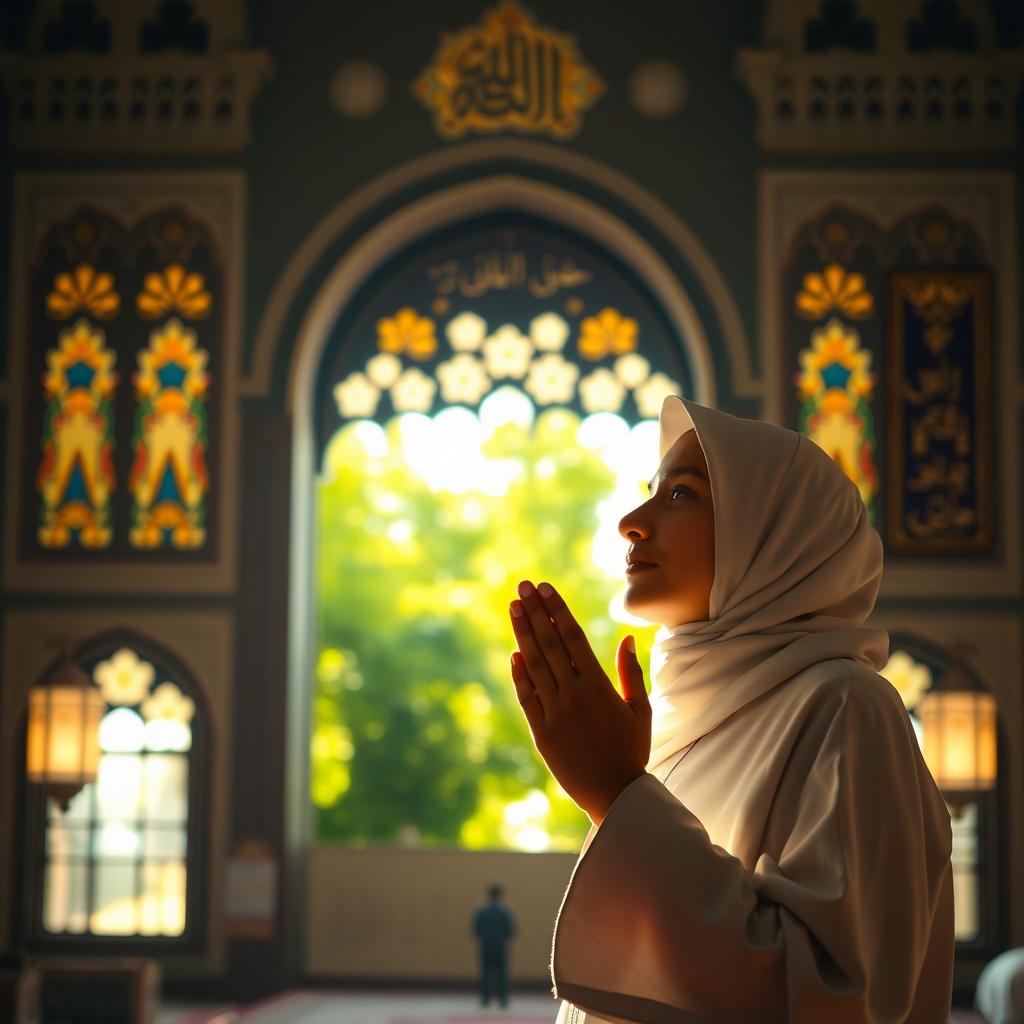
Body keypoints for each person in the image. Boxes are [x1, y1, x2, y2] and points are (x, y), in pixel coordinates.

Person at [507, 395, 954, 1023]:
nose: (631, 522)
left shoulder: (846, 707)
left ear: (776, 534)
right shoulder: (682, 722)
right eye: (651, 492)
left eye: (682, 495)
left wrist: (617, 793)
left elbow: (830, 993)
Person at [472, 883, 516, 1008]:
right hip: (500, 947)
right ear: (500, 896)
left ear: (489, 896)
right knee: (501, 973)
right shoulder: (504, 912)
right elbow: (510, 931)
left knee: (485, 972)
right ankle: (502, 999)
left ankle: (485, 999)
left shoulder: (482, 911)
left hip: (486, 946)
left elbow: (476, 930)